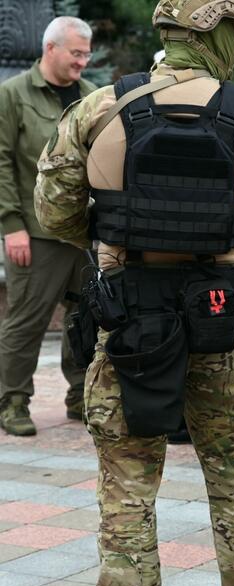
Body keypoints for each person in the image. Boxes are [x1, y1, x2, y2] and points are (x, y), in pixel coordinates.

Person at [34, 1, 234, 586]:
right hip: (221, 320)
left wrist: (116, 232)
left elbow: (54, 211)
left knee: (128, 495)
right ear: (219, 32)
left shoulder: (99, 109)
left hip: (132, 323)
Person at [0, 16, 96, 436]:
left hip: (84, 233)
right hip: (35, 233)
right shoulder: (13, 94)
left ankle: (80, 396)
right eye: (76, 53)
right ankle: (12, 401)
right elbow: (2, 162)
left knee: (85, 317)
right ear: (50, 48)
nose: (82, 62)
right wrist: (11, 225)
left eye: (87, 54)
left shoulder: (91, 96)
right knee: (27, 320)